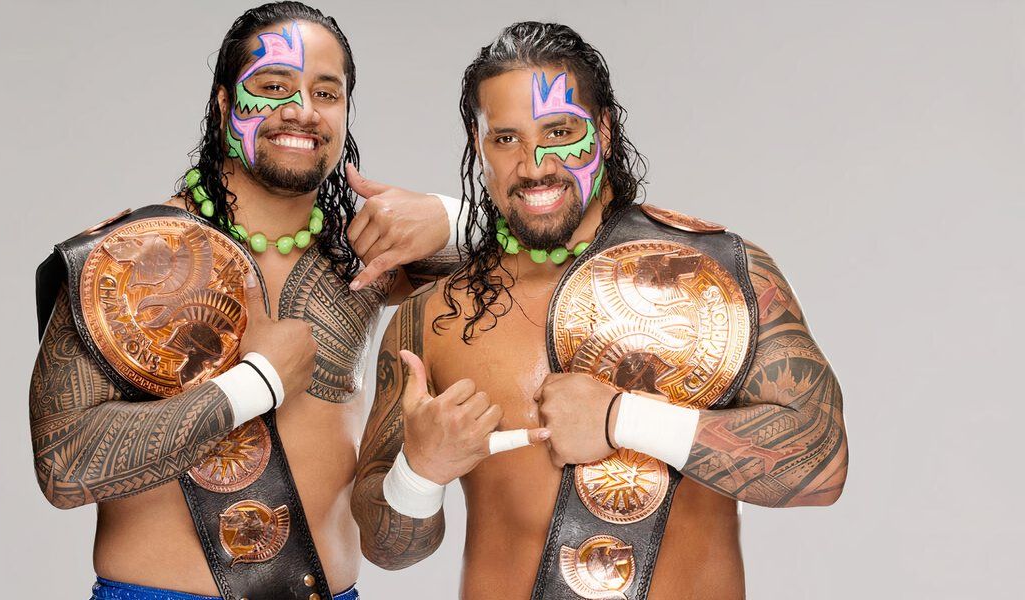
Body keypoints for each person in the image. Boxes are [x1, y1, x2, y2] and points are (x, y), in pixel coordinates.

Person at [352, 21, 849, 600]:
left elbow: (822, 462)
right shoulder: (434, 315)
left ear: (604, 132)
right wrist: (422, 472)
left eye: (559, 131)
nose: (535, 165)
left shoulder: (726, 275)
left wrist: (621, 420)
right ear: (477, 143)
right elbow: (386, 548)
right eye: (506, 138)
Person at [29, 3, 466, 598]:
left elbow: (551, 247)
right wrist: (254, 385)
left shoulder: (366, 257)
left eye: (326, 93)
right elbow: (63, 464)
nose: (301, 110)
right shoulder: (128, 258)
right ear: (223, 103)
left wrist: (450, 215)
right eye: (272, 87)